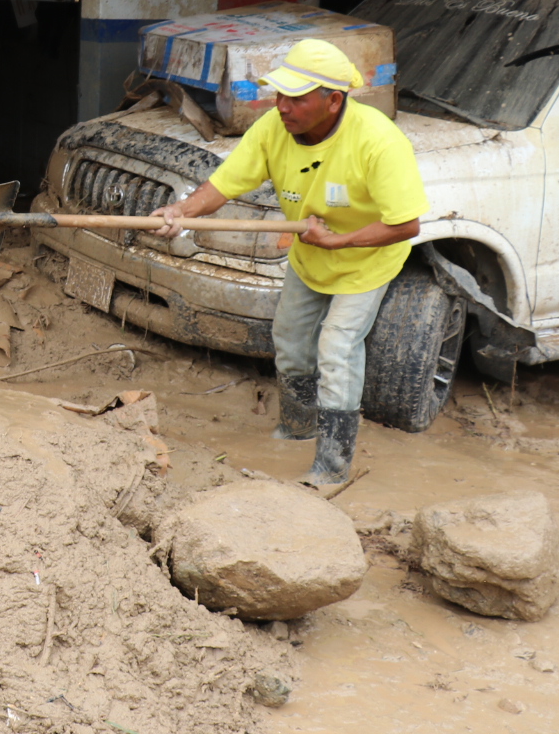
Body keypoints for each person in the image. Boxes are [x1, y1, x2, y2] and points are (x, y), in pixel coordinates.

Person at [155, 38, 427, 491]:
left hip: (366, 261)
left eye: (296, 98)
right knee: (291, 340)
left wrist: (339, 240)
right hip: (311, 255)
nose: (282, 106)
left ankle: (333, 467)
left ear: (333, 100)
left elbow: (406, 225)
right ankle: (300, 427)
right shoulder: (271, 129)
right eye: (279, 95)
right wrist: (180, 212)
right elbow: (223, 184)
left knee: (337, 350)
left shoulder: (379, 141)